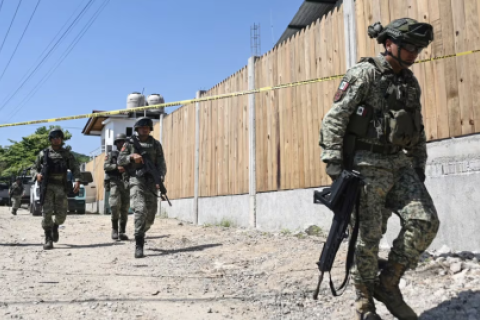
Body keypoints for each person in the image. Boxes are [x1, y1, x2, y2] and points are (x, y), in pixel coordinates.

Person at [319, 18, 439, 320]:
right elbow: (335, 119)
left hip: (398, 163)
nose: (414, 52)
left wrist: (419, 166)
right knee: (368, 238)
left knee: (425, 221)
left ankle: (387, 284)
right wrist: (335, 169)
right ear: (388, 43)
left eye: (418, 48)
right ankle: (364, 303)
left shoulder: (410, 83)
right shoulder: (364, 74)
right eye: (408, 46)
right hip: (365, 166)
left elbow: (417, 128)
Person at [118, 117, 166, 258]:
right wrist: (131, 157)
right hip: (136, 179)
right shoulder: (129, 144)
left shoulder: (156, 144)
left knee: (150, 216)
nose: (144, 128)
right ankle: (139, 245)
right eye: (142, 126)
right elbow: (120, 160)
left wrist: (160, 178)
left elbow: (161, 163)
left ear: (150, 129)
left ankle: (141, 231)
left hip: (151, 181)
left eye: (147, 127)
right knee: (140, 209)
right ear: (137, 128)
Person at [35, 128, 80, 250]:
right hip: (47, 186)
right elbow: (35, 168)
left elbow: (75, 168)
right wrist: (37, 175)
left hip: (61, 186)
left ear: (61, 139)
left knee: (61, 215)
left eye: (58, 137)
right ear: (50, 139)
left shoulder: (66, 154)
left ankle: (55, 226)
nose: (56, 139)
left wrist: (77, 181)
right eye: (54, 137)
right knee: (46, 213)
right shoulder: (43, 153)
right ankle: (48, 238)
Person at [104, 133, 130, 240]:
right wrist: (116, 167)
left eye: (123, 141)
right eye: (119, 141)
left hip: (127, 183)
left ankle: (122, 231)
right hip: (115, 182)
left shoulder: (130, 154)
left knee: (125, 208)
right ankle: (114, 229)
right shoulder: (112, 154)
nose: (121, 143)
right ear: (116, 143)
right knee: (114, 206)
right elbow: (105, 166)